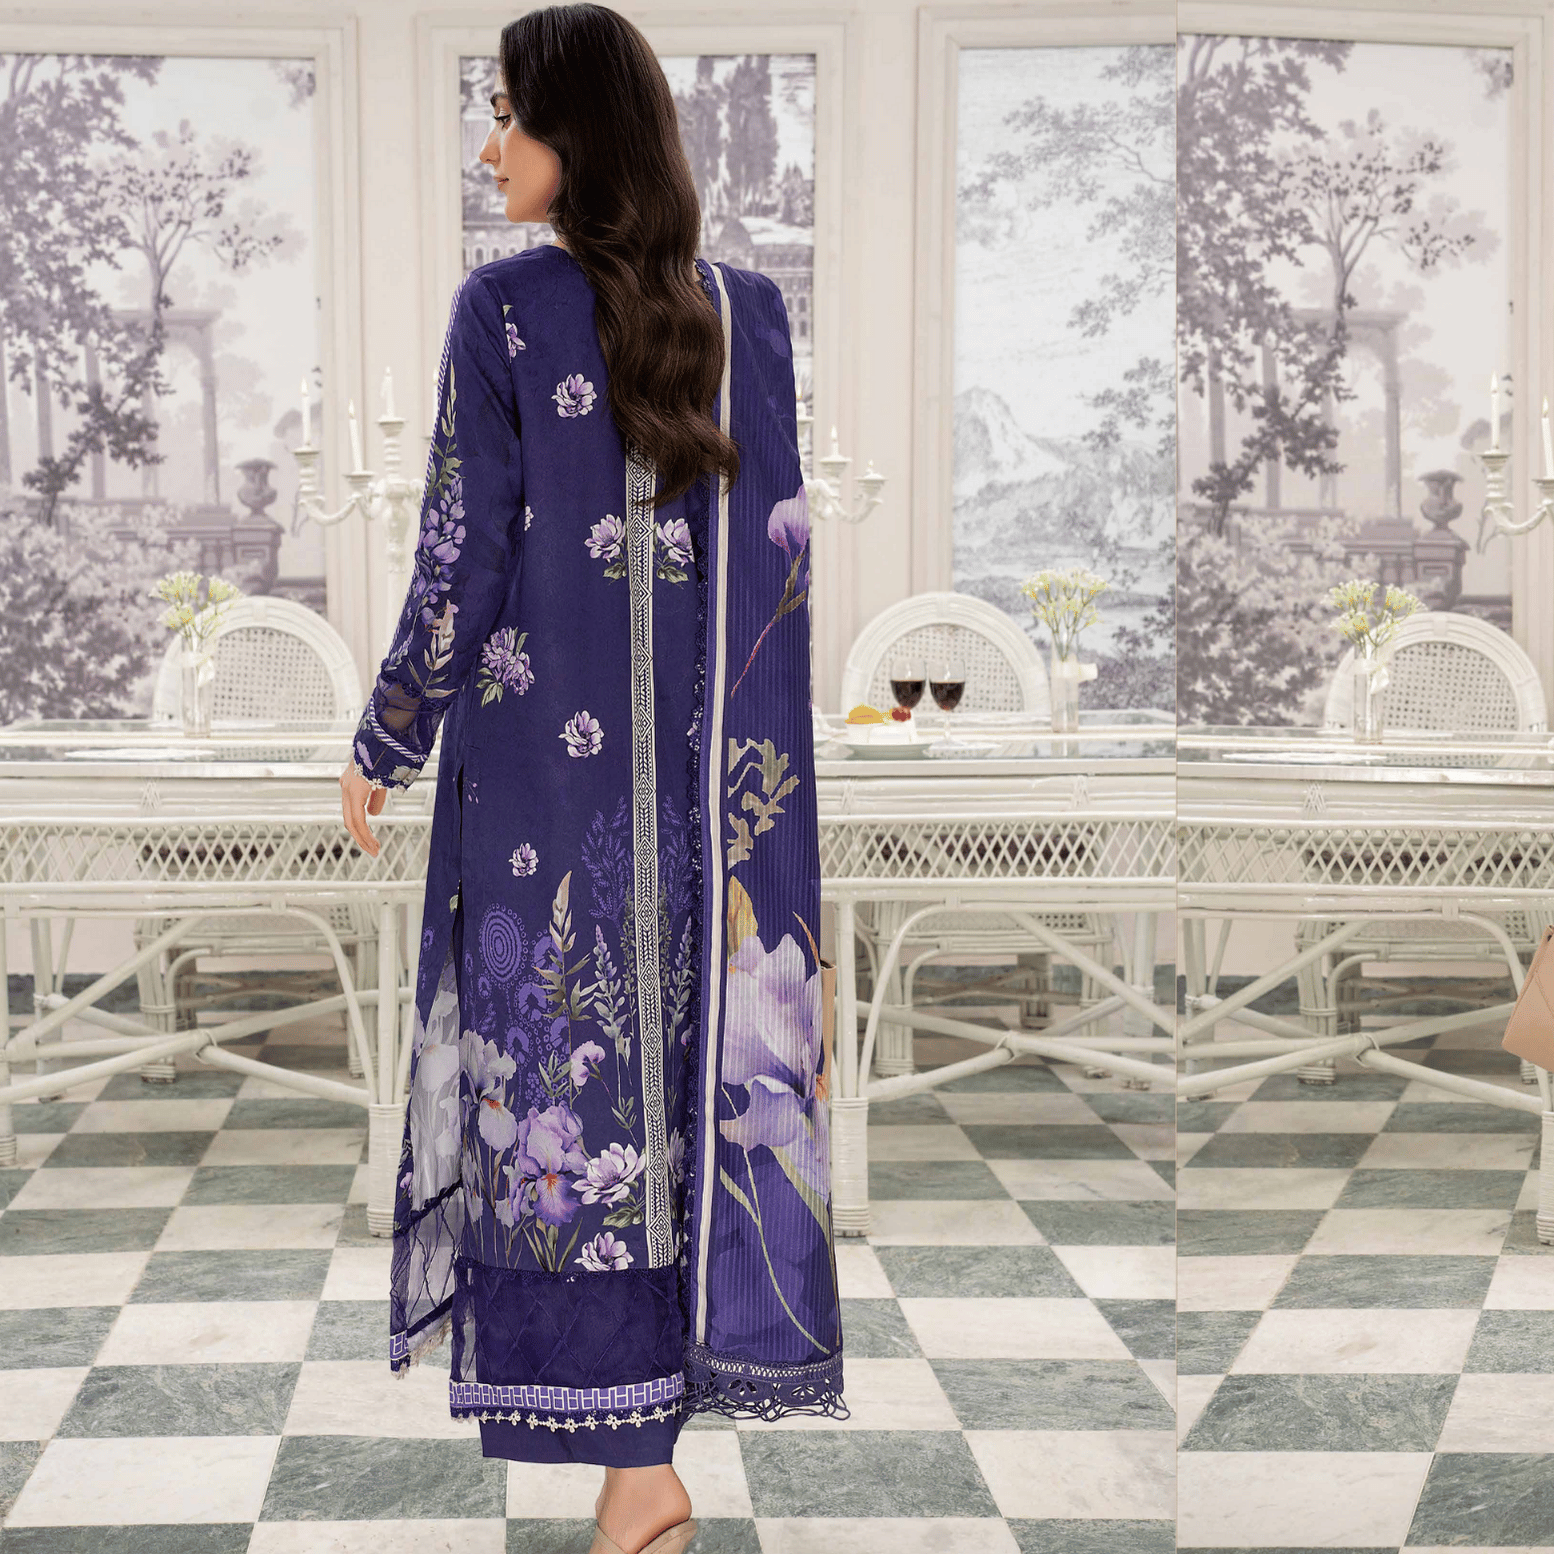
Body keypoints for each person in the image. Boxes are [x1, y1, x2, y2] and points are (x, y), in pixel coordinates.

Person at [339, 7, 844, 1552]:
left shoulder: (500, 310)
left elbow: (459, 553)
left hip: (550, 812)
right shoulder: (746, 311)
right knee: (675, 1091)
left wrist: (384, 734)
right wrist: (754, 800)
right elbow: (780, 568)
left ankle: (644, 1474)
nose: (489, 147)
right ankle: (647, 1468)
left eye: (507, 115)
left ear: (581, 129)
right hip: (716, 808)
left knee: (571, 1086)